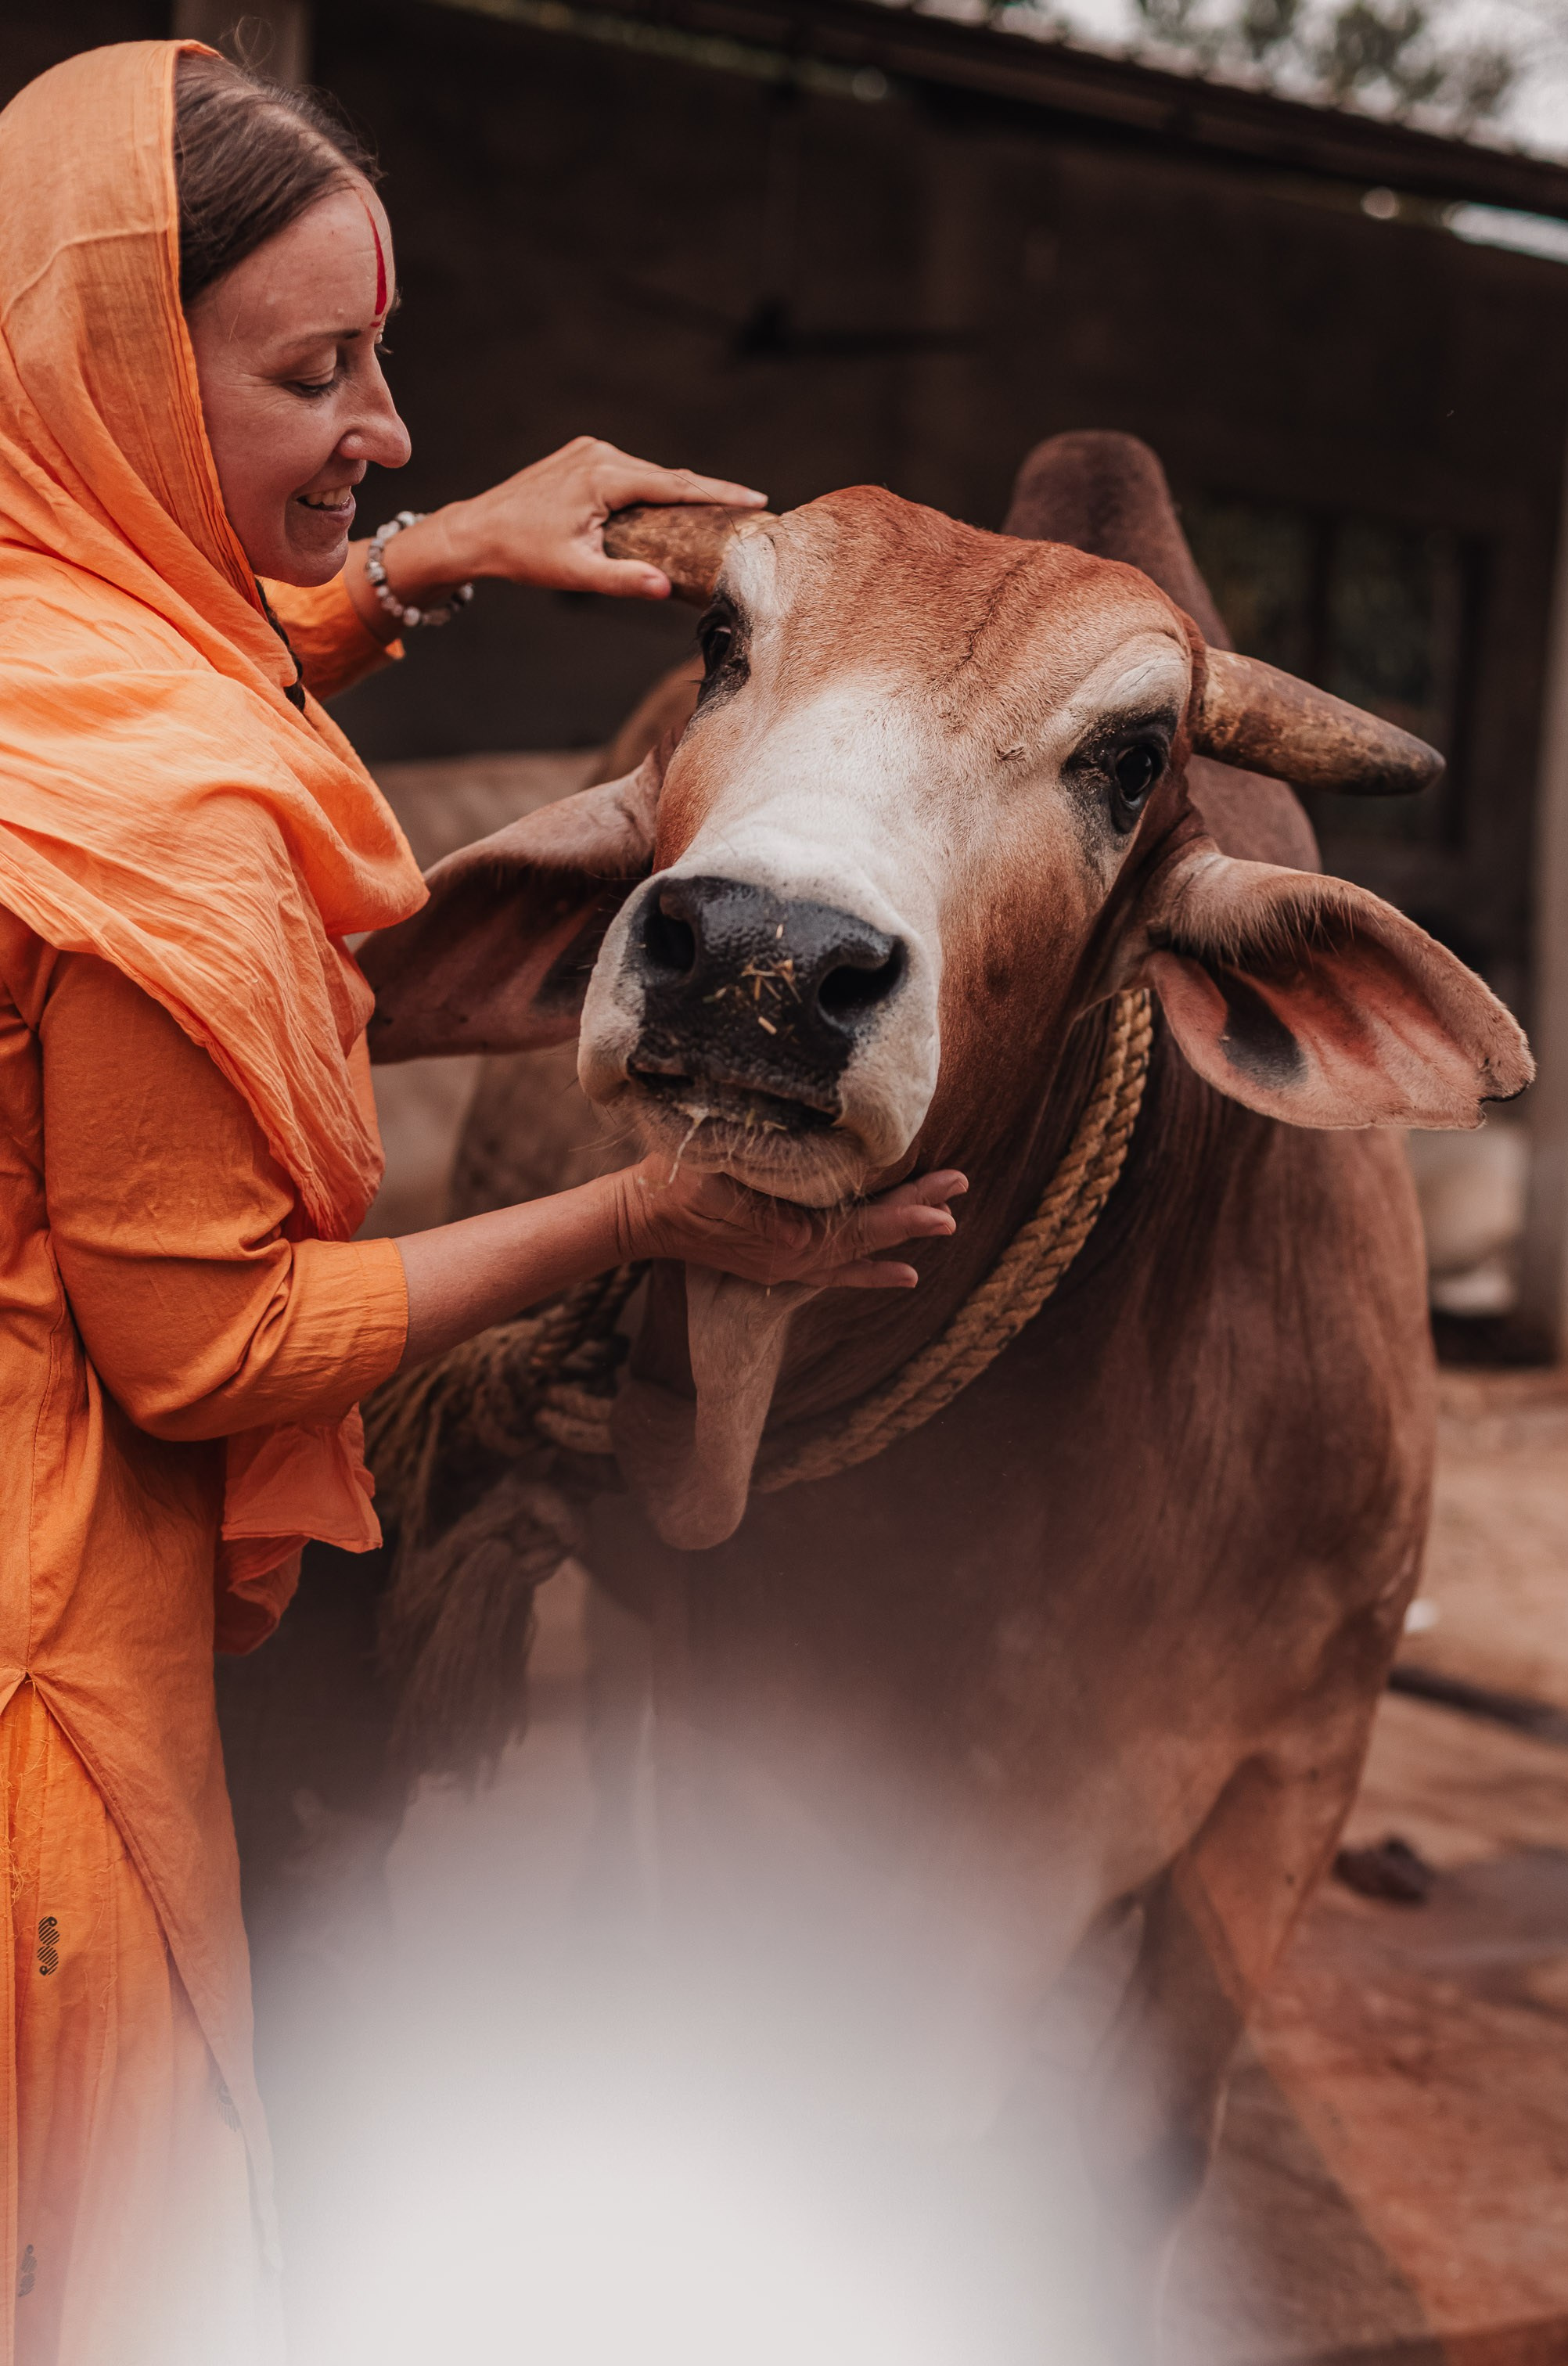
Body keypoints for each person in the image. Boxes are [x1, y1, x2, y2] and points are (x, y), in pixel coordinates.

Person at [0, 40, 965, 2365]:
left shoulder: (43, 630)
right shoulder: (167, 821)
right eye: (316, 374)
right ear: (114, 383)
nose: (393, 426)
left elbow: (167, 662)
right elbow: (208, 1351)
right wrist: (645, 1221)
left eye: (382, 357)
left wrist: (417, 562)